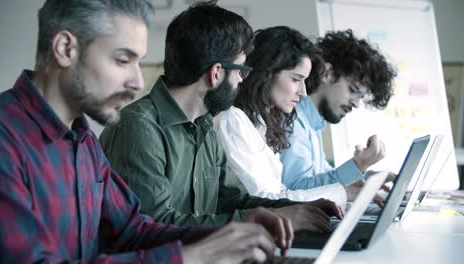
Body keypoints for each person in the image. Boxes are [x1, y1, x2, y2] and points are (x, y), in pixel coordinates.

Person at [0, 0, 300, 262]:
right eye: (122, 59)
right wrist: (192, 257)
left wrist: (228, 234)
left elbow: (132, 230)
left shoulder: (82, 140)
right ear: (66, 49)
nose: (138, 82)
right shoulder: (3, 137)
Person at [100, 1, 343, 233]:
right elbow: (158, 225)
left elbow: (232, 200)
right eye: (242, 70)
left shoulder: (204, 126)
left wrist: (295, 209)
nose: (242, 79)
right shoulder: (139, 128)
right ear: (216, 73)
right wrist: (274, 220)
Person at [213, 26, 349, 208]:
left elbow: (278, 193)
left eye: (304, 81)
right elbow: (263, 201)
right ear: (266, 73)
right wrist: (339, 193)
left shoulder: (262, 122)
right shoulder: (231, 120)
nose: (303, 92)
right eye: (295, 79)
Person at [280, 30, 397, 205]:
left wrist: (363, 177)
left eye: (361, 97)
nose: (356, 103)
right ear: (328, 74)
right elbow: (297, 190)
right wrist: (359, 165)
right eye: (353, 90)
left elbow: (320, 176)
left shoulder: (313, 123)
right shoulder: (294, 121)